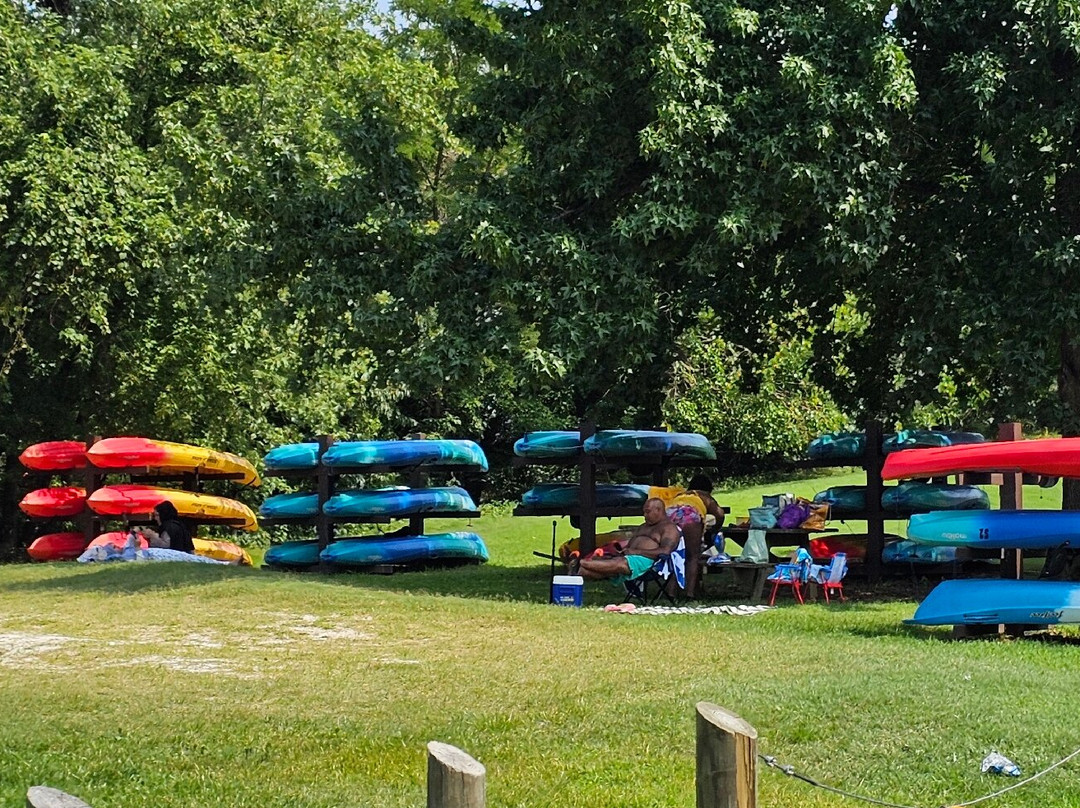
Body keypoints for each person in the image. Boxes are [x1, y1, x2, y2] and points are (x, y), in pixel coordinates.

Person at [648, 475, 725, 598]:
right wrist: (716, 528)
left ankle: (671, 592)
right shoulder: (704, 495)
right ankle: (690, 593)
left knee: (674, 554)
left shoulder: (680, 495)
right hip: (689, 515)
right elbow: (720, 514)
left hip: (670, 514)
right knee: (692, 556)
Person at [576, 498, 682, 586]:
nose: (644, 515)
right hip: (628, 558)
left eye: (648, 511)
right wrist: (620, 553)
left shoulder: (669, 528)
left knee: (621, 564)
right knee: (584, 571)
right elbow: (630, 547)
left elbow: (665, 551)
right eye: (644, 512)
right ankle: (573, 578)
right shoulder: (644, 527)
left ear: (658, 510)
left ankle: (580, 562)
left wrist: (637, 552)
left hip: (648, 562)